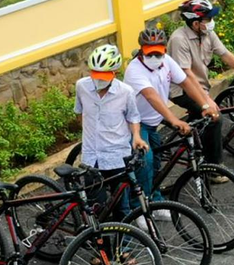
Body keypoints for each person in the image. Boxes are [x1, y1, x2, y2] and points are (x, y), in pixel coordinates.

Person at [122, 26, 218, 197]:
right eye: (149, 53)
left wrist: (205, 105)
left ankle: (154, 198)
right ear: (141, 51)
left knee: (157, 163)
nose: (154, 57)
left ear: (164, 50)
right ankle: (140, 206)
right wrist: (174, 120)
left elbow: (186, 82)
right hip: (136, 123)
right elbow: (152, 97)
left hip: (154, 122)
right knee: (146, 161)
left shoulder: (166, 61)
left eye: (158, 53)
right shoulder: (134, 70)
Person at [167, 0, 234, 166]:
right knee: (214, 118)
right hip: (181, 90)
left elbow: (225, 55)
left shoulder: (207, 33)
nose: (212, 22)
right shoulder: (178, 39)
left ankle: (199, 149)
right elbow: (186, 75)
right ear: (195, 23)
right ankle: (213, 167)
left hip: (200, 86)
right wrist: (206, 100)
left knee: (204, 119)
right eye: (208, 19)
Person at [74, 44, 147, 206]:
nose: (99, 79)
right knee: (95, 207)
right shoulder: (81, 86)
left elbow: (133, 117)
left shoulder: (126, 92)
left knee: (121, 206)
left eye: (104, 75)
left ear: (115, 73)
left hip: (117, 156)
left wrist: (136, 136)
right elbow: (79, 113)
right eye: (96, 74)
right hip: (91, 157)